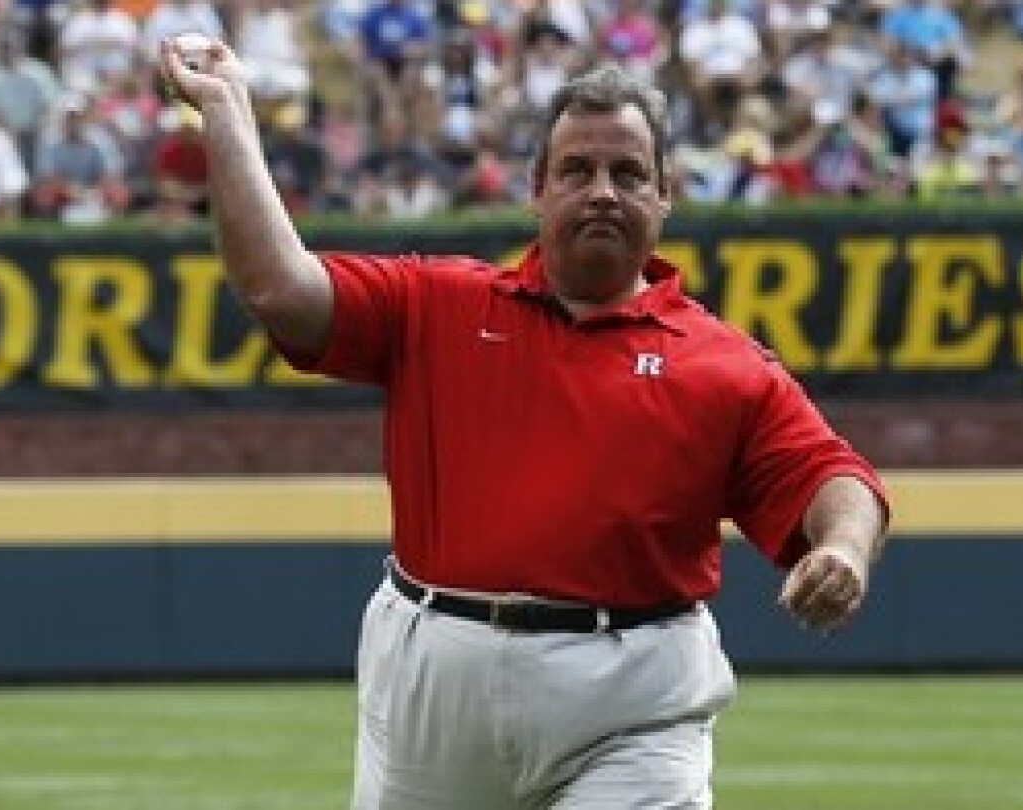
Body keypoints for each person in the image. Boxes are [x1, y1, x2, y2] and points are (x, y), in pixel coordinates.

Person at [161, 39, 889, 809]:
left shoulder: (723, 364)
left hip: (635, 695)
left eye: (628, 173)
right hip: (435, 684)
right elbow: (279, 288)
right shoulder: (436, 305)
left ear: (665, 195)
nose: (602, 192)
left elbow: (834, 476)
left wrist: (843, 547)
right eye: (577, 171)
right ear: (537, 190)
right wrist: (225, 110)